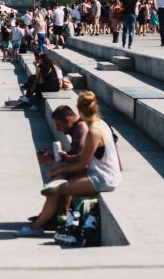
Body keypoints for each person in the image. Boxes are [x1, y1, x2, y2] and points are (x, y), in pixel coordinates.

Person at [20, 92, 121, 236]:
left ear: (79, 111)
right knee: (58, 179)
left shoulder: (93, 131)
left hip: (104, 178)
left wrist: (55, 168)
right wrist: (66, 159)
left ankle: (37, 227)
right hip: (104, 174)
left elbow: (82, 164)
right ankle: (47, 219)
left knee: (56, 187)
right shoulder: (101, 124)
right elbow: (85, 157)